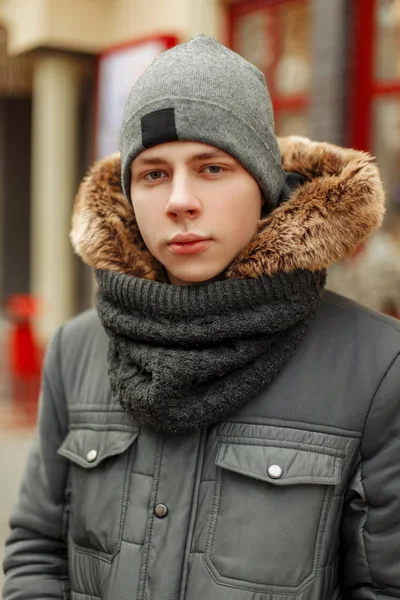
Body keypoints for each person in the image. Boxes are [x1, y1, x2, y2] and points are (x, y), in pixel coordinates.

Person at [3, 36, 400, 600]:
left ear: (263, 188)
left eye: (212, 168)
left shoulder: (378, 367)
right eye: (154, 174)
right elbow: (37, 550)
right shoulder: (76, 350)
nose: (179, 201)